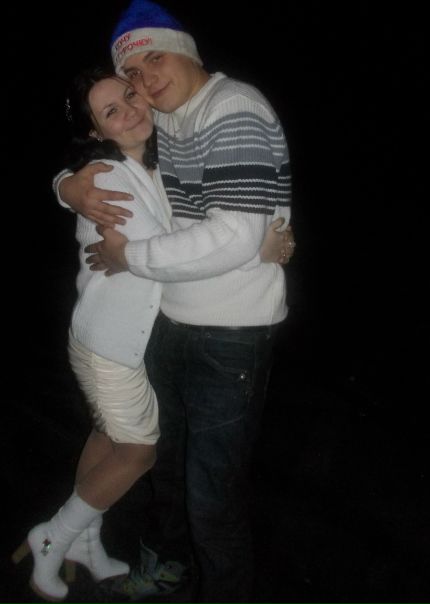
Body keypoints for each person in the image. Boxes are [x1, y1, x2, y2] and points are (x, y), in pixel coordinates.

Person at [55, 1, 294, 601]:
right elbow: (114, 162)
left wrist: (128, 256)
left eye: (154, 59)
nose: (144, 83)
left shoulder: (232, 108)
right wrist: (66, 185)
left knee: (211, 495)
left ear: (188, 51)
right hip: (170, 322)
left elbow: (232, 234)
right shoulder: (168, 117)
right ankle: (165, 564)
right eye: (132, 76)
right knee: (167, 468)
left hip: (229, 335)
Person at [12, 66, 174, 602]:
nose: (129, 111)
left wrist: (63, 184)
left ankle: (84, 543)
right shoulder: (106, 175)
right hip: (109, 345)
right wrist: (247, 245)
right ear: (95, 131)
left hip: (105, 337)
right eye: (111, 111)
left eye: (129, 96)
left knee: (106, 438)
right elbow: (162, 253)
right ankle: (52, 538)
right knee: (138, 452)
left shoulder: (146, 164)